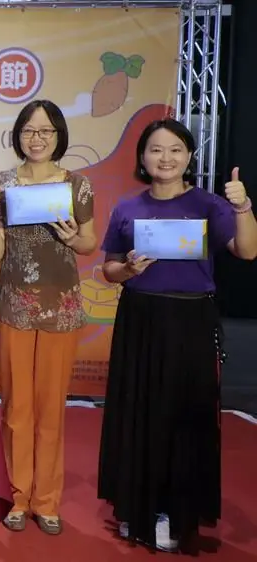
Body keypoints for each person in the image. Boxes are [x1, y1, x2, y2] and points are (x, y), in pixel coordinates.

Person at [97, 119, 257, 552]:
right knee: (138, 413)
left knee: (184, 417)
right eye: (155, 150)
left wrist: (243, 207)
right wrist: (127, 269)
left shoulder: (209, 204)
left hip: (191, 321)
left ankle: (174, 510)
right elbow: (109, 269)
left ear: (188, 156)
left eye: (175, 150)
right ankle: (135, 507)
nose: (165, 158)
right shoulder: (127, 208)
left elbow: (247, 251)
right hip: (139, 320)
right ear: (142, 158)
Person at [0, 99, 97, 535]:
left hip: (61, 309)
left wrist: (73, 237)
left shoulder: (77, 185)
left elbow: (89, 244)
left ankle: (46, 501)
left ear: (59, 135)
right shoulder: (3, 185)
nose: (37, 138)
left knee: (51, 409)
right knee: (17, 408)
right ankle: (16, 495)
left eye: (46, 131)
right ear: (18, 136)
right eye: (29, 130)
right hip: (16, 307)